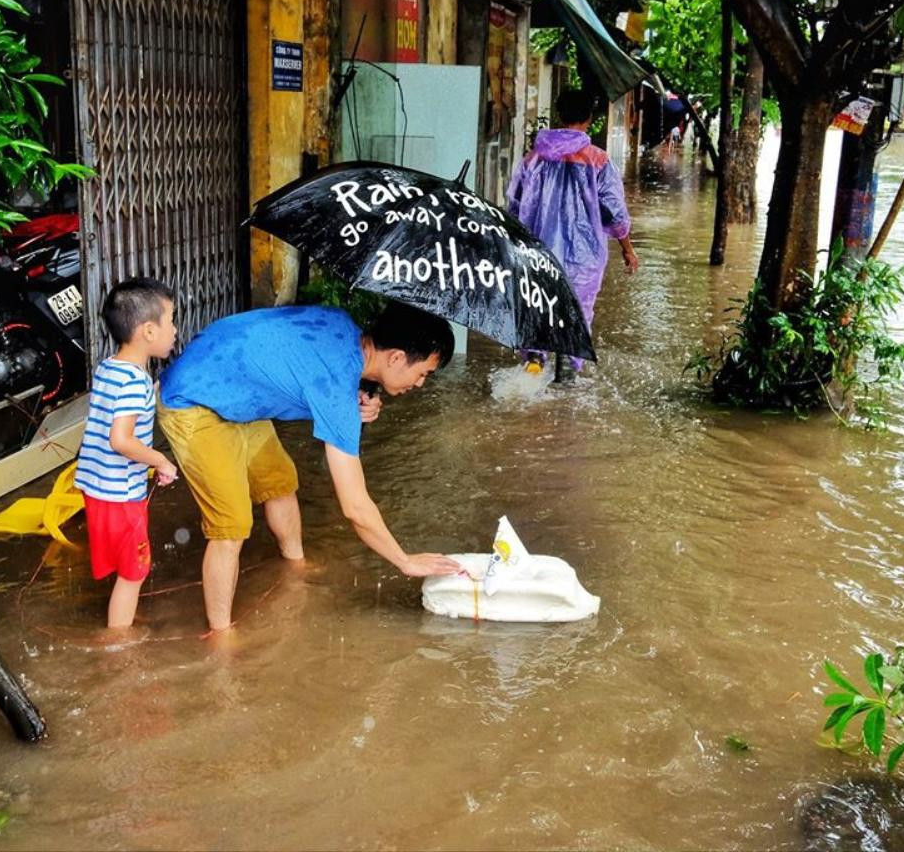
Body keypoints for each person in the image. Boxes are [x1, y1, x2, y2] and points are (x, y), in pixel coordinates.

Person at [157, 301, 464, 632]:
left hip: (232, 385)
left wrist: (363, 390)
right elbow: (355, 506)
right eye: (423, 374)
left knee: (279, 482)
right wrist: (405, 561)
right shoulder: (336, 392)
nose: (419, 384)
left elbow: (308, 361)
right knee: (231, 523)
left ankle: (296, 567)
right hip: (192, 398)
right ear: (397, 358)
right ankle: (221, 635)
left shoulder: (341, 322)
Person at [506, 87, 639, 382]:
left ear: (558, 114)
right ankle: (566, 383)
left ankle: (534, 369)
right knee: (576, 318)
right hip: (583, 259)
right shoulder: (599, 160)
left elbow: (513, 205)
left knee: (537, 313)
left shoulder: (533, 158)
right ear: (589, 118)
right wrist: (627, 249)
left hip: (537, 256)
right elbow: (614, 213)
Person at [74, 278, 179, 628]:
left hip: (97, 487)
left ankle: (122, 612)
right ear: (149, 331)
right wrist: (161, 460)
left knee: (123, 566)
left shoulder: (111, 368)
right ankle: (119, 645)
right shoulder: (133, 381)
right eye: (171, 320)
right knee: (135, 571)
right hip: (121, 494)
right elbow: (122, 439)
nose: (175, 330)